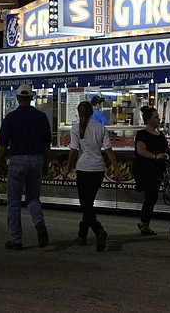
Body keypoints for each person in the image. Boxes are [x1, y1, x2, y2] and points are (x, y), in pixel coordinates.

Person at [0, 84, 51, 251]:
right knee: (33, 197)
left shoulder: (11, 118)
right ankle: (39, 222)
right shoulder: (41, 117)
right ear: (31, 98)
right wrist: (45, 164)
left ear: (18, 99)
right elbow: (47, 144)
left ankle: (16, 239)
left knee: (13, 201)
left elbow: (3, 145)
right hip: (37, 160)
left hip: (17, 161)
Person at [63, 100, 121, 251]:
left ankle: (99, 230)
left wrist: (68, 168)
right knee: (88, 203)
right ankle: (82, 235)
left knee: (85, 204)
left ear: (78, 112)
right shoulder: (100, 127)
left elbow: (73, 150)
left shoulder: (76, 128)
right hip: (98, 169)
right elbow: (108, 149)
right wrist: (116, 168)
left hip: (83, 169)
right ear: (91, 112)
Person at [133, 105, 170, 236]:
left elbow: (166, 148)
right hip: (146, 169)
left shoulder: (160, 134)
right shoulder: (142, 134)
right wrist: (155, 157)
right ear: (148, 120)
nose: (159, 119)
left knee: (152, 196)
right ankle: (144, 223)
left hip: (157, 170)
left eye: (158, 117)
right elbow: (140, 150)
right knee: (150, 196)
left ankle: (145, 223)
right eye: (156, 117)